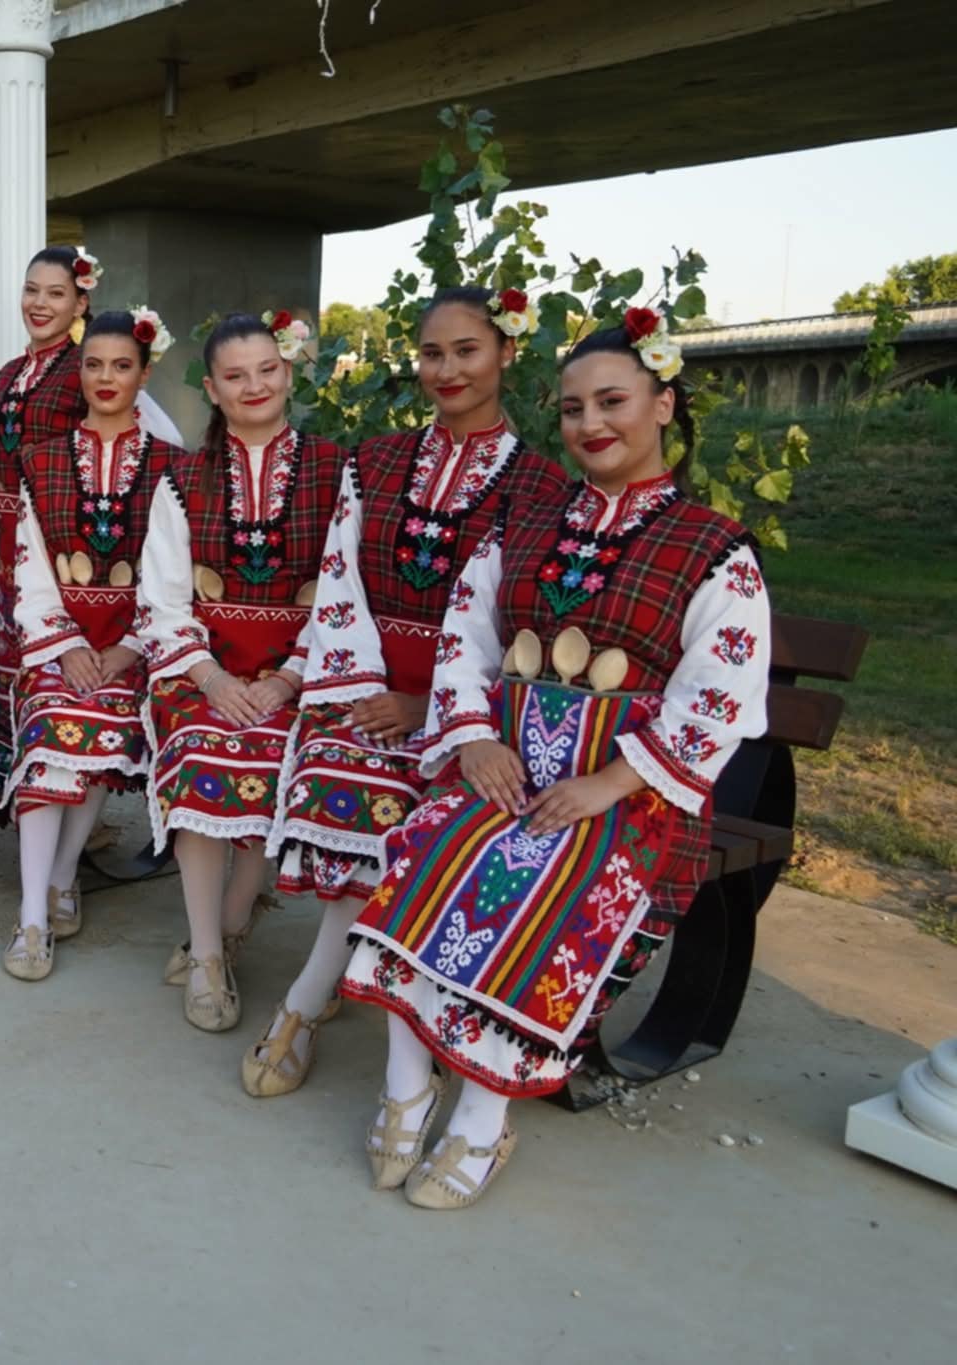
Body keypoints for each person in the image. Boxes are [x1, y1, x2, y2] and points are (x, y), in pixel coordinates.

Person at [340, 310, 769, 1207]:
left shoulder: (714, 549)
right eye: (574, 409)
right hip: (504, 767)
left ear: (663, 405)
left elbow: (717, 695)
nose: (590, 424)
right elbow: (465, 639)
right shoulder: (526, 524)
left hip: (630, 798)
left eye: (613, 402)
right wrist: (474, 737)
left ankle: (482, 1119)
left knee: (545, 884)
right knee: (425, 845)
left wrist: (608, 781)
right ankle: (407, 1087)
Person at [246, 286, 568, 1095]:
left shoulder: (539, 486)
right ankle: (336, 990)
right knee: (342, 772)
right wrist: (364, 691)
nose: (447, 369)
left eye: (467, 350)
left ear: (506, 352)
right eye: (432, 353)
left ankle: (306, 999)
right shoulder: (377, 461)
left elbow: (526, 625)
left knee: (403, 804)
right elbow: (339, 580)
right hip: (365, 684)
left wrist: (433, 709)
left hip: (471, 713)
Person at [135, 311, 344, 1023]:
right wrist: (214, 680)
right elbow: (162, 598)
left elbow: (343, 595)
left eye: (267, 370)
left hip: (299, 672)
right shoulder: (180, 478)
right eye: (235, 375)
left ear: (288, 372)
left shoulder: (337, 471)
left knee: (276, 751)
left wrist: (287, 679)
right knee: (203, 752)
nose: (254, 386)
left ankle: (230, 920)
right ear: (212, 389)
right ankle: (206, 952)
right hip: (204, 671)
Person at [0, 246, 185, 829]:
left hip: (71, 550)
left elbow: (158, 442)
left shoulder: (89, 366)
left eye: (56, 293)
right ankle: (39, 806)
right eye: (31, 290)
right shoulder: (12, 372)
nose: (40, 303)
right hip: (16, 545)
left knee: (78, 674)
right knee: (26, 672)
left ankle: (77, 814)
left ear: (81, 303)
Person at [0, 309, 182, 984]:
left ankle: (65, 872)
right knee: (53, 725)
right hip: (60, 640)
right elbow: (30, 564)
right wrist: (64, 643)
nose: (107, 377)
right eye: (94, 364)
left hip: (135, 644)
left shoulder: (171, 466)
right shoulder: (41, 460)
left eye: (122, 365)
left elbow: (172, 574)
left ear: (144, 373)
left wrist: (131, 647)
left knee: (111, 722)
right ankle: (32, 914)